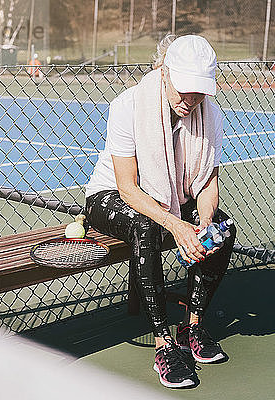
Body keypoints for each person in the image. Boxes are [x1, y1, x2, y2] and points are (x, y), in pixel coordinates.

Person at [85, 34, 236, 389]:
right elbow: (128, 189)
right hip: (111, 198)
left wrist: (206, 223)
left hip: (172, 196)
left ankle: (192, 326)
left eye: (200, 91)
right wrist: (177, 225)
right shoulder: (128, 105)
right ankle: (163, 344)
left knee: (224, 228)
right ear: (165, 72)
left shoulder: (210, 115)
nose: (191, 99)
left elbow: (207, 184)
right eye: (185, 88)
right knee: (146, 226)